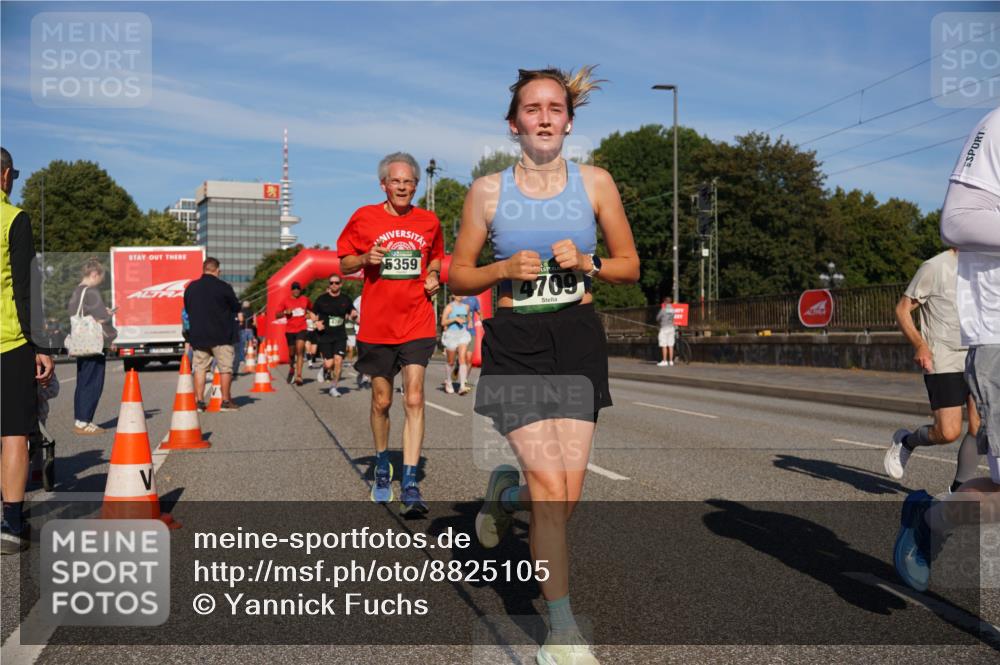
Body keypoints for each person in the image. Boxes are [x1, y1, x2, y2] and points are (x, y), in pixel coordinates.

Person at [449, 67, 638, 663]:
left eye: (555, 107)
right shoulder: (485, 191)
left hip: (577, 338)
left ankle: (506, 498)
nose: (545, 117)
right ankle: (561, 632)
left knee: (566, 496)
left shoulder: (598, 183)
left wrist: (589, 262)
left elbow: (630, 265)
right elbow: (457, 274)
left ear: (569, 120)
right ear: (515, 124)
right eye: (533, 109)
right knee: (552, 490)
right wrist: (501, 272)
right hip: (516, 342)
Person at [894, 106, 1000, 592]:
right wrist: (920, 344)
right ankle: (930, 514)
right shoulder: (998, 125)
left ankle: (933, 518)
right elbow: (956, 220)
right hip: (986, 340)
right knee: (955, 431)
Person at [337, 152, 443, 514]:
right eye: (395, 181)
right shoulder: (364, 217)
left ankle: (410, 481)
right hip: (378, 325)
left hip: (417, 320)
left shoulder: (429, 221)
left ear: (416, 185)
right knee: (382, 401)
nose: (402, 186)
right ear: (383, 184)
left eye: (409, 181)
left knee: (414, 398)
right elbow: (344, 261)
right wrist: (365, 259)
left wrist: (432, 276)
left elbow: (436, 258)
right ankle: (383, 464)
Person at [884, 248, 980, 490]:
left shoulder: (985, 267)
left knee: (979, 429)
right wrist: (920, 344)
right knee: (947, 433)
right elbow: (902, 309)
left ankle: (957, 491)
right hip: (944, 357)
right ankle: (906, 441)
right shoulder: (935, 266)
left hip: (978, 355)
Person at [1, 146, 54, 554]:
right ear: (4, 177)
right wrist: (39, 345)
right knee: (14, 434)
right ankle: (11, 524)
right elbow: (25, 288)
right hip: (9, 342)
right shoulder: (13, 219)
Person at [183, 257, 241, 411]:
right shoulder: (224, 287)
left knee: (200, 368)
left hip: (199, 336)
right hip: (221, 335)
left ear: (204, 269)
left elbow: (187, 310)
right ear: (217, 270)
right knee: (225, 368)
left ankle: (199, 402)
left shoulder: (191, 288)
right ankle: (226, 401)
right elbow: (236, 307)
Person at [67, 258, 116, 434]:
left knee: (82, 381)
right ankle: (84, 421)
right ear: (94, 274)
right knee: (93, 381)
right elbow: (101, 318)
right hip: (93, 344)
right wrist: (109, 320)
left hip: (81, 343)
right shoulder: (91, 292)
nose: (99, 283)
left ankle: (81, 418)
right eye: (99, 279)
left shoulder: (76, 292)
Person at [310, 274, 357, 397]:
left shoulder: (345, 299)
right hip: (325, 335)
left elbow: (352, 311)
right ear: (329, 284)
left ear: (340, 284)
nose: (334, 285)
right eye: (331, 283)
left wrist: (353, 314)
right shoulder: (322, 299)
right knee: (329, 363)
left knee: (338, 361)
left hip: (340, 335)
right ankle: (324, 368)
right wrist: (316, 323)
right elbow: (312, 313)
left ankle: (334, 386)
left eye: (336, 283)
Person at [278, 281, 311, 385]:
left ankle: (299, 376)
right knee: (291, 353)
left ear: (300, 290)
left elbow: (312, 309)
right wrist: (284, 312)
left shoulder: (305, 299)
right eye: (294, 289)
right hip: (290, 330)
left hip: (302, 328)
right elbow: (277, 315)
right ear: (291, 290)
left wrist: (309, 315)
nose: (296, 290)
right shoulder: (285, 300)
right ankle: (292, 368)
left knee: (300, 351)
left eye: (298, 288)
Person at [440, 294, 472, 394]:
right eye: (457, 293)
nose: (460, 295)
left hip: (462, 334)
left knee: (463, 359)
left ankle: (462, 386)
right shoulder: (449, 307)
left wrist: (469, 322)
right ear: (453, 295)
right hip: (451, 336)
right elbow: (443, 322)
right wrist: (454, 319)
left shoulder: (466, 307)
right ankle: (449, 381)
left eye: (461, 293)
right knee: (451, 362)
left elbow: (469, 319)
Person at [656, 295, 676, 367]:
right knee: (671, 345)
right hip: (671, 328)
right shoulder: (673, 310)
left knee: (664, 345)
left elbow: (657, 318)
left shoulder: (663, 309)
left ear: (665, 302)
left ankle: (664, 361)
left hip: (664, 328)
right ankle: (671, 361)